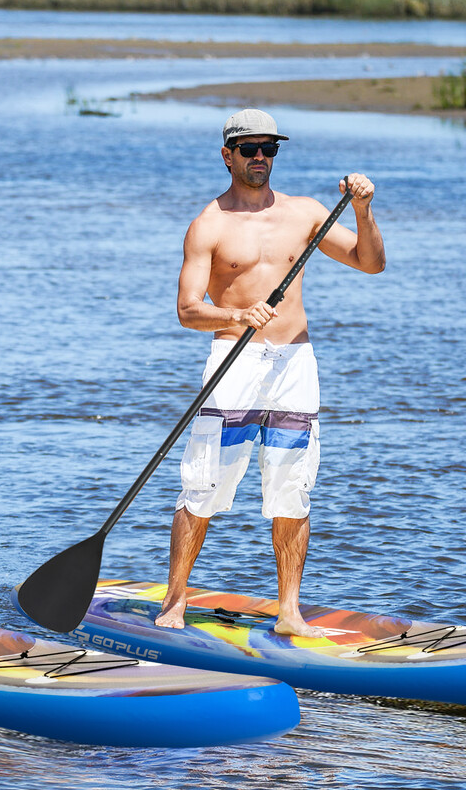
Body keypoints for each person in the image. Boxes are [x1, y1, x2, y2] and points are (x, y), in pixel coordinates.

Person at [155, 109, 385, 637]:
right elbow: (188, 310)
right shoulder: (208, 225)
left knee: (292, 489)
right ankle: (173, 602)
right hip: (234, 363)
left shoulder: (305, 214)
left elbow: (371, 263)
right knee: (204, 485)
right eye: (250, 148)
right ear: (228, 155)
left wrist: (365, 211)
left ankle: (289, 611)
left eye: (270, 148)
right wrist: (235, 315)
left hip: (295, 364)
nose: (261, 157)